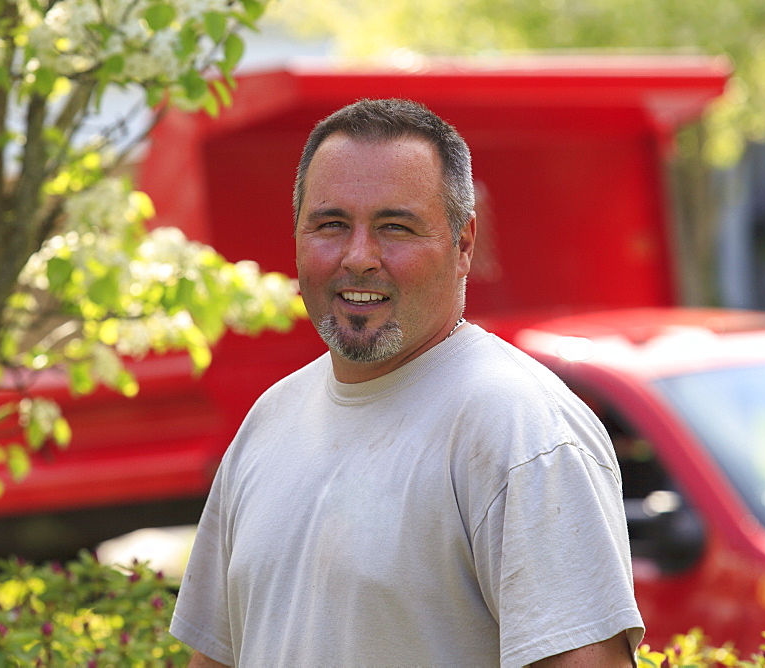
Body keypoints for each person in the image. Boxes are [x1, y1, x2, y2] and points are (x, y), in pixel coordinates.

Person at [170, 98, 644, 666]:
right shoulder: (270, 420)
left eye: (396, 227)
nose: (359, 257)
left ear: (463, 244)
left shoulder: (523, 433)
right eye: (330, 225)